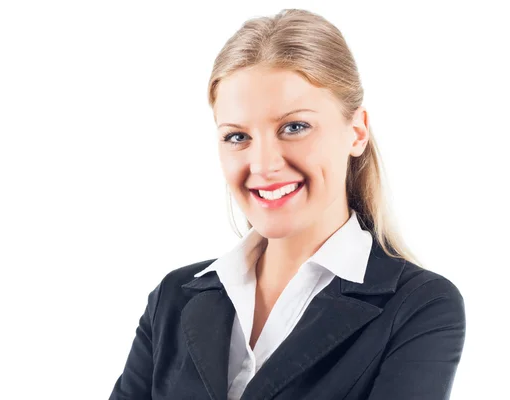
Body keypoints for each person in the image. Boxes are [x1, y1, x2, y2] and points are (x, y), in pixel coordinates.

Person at [109, 8, 466, 400]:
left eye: (294, 127)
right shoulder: (173, 299)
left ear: (357, 132)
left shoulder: (418, 308)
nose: (263, 165)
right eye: (236, 136)